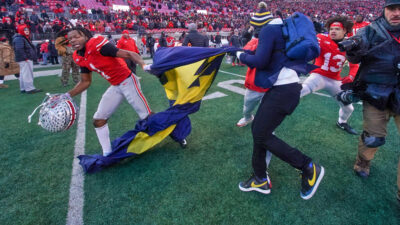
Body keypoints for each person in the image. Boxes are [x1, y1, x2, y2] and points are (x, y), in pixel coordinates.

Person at [236, 3, 324, 200]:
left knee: (261, 133)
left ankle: (307, 166)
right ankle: (260, 178)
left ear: (260, 25)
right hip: (285, 89)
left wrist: (240, 55)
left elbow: (260, 62)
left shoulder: (269, 29)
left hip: (283, 90)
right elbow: (268, 58)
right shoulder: (280, 28)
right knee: (259, 131)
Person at [342, 0, 400, 201]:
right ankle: (363, 161)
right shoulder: (370, 31)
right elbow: (355, 58)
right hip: (376, 92)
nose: (396, 13)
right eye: (392, 8)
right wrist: (353, 48)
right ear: (384, 9)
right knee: (373, 137)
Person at [66, 27, 152, 156]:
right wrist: (67, 95)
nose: (73, 40)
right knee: (99, 119)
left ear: (85, 36)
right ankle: (107, 153)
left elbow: (129, 54)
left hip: (128, 81)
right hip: (115, 85)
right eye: (70, 38)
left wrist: (143, 65)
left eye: (76, 36)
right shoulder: (78, 56)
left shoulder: (97, 45)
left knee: (147, 117)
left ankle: (176, 133)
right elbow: (85, 81)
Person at [300, 16, 358, 135]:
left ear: (345, 31)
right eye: (331, 28)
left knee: (348, 108)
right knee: (300, 91)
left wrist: (351, 76)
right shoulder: (321, 38)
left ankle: (341, 122)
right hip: (318, 76)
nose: (333, 31)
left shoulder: (349, 45)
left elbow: (354, 64)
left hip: (335, 80)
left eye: (337, 29)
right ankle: (273, 109)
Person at [12, 26, 41, 94]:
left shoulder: (21, 38)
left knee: (23, 74)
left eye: (27, 30)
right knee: (27, 74)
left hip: (23, 58)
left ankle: (23, 88)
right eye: (25, 30)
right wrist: (26, 58)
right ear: (21, 31)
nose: (27, 31)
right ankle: (29, 88)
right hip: (25, 59)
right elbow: (19, 49)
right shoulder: (20, 38)